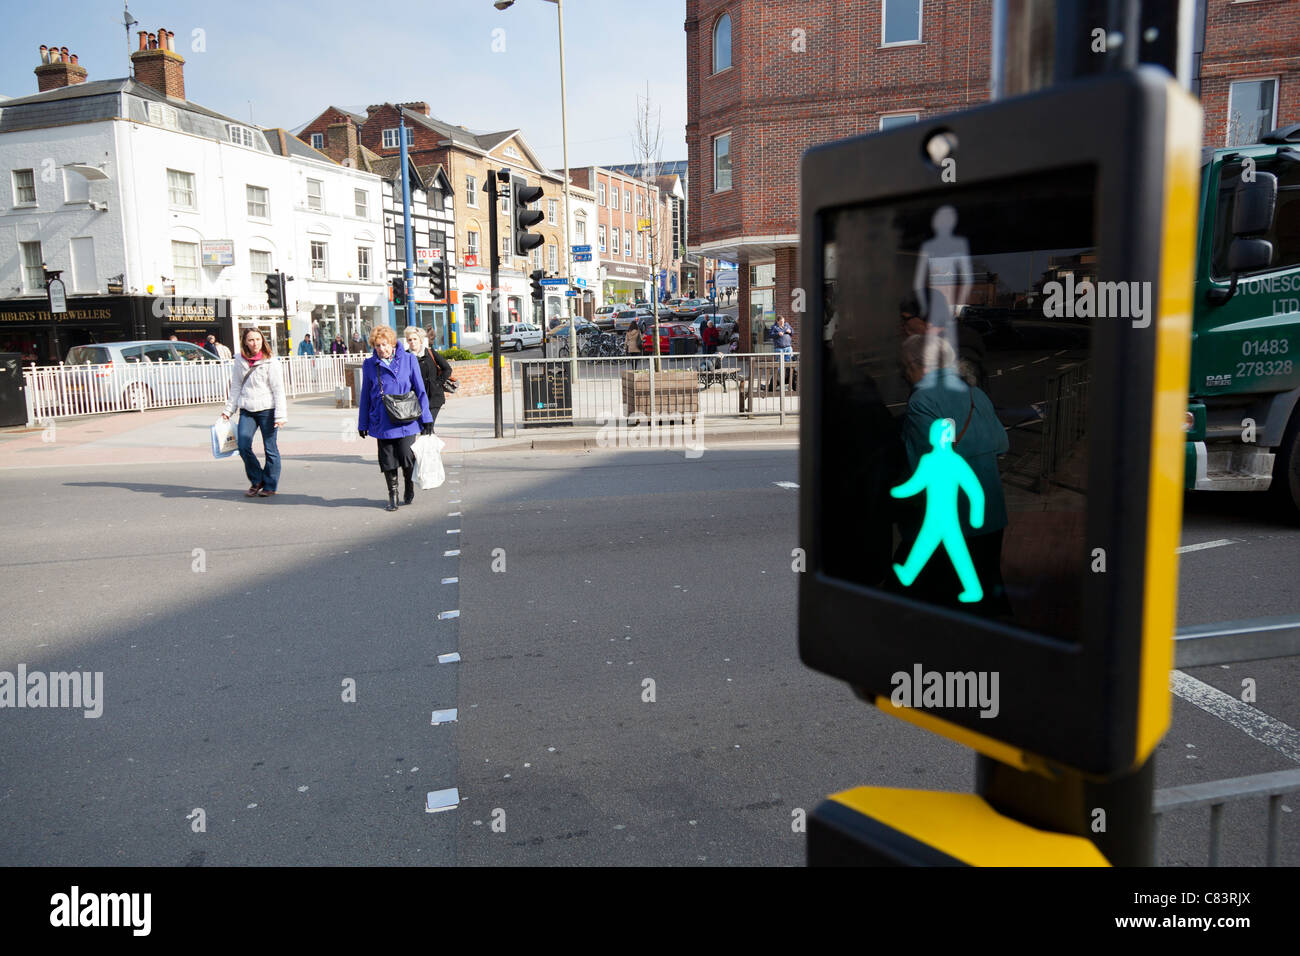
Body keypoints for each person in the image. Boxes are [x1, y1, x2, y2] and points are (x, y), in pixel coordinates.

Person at [893, 333, 1010, 614]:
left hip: (951, 516)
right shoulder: (975, 393)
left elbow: (920, 462)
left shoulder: (921, 400)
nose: (902, 376)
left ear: (914, 364)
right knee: (984, 588)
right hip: (992, 518)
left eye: (902, 368)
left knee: (936, 597)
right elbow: (1003, 444)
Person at [358, 326, 433, 511]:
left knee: (407, 457)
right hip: (382, 420)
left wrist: (427, 418)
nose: (381, 349)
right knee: (388, 460)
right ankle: (393, 495)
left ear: (392, 344)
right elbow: (365, 395)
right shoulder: (369, 365)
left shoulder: (408, 360)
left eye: (384, 345)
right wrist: (362, 423)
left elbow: (420, 391)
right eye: (377, 346)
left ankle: (409, 484)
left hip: (407, 419)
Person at [221, 328, 286, 498]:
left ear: (263, 341)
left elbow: (278, 390)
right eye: (251, 340)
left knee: (270, 449)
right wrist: (228, 410)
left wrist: (280, 416)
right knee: (243, 446)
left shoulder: (270, 361)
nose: (255, 343)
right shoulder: (239, 360)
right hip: (247, 409)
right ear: (245, 342)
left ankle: (270, 485)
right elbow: (235, 387)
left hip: (268, 410)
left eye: (258, 339)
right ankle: (257, 480)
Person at [404, 326, 455, 431]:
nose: (412, 342)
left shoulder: (430, 352)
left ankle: (429, 446)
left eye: (415, 339)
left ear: (420, 340)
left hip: (434, 397)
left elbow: (447, 369)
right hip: (416, 398)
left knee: (428, 426)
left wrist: (437, 383)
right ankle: (430, 446)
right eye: (410, 340)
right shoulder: (405, 356)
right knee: (424, 428)